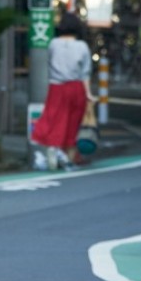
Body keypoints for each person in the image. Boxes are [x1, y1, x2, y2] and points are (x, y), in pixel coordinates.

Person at [31, 12, 92, 170]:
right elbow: (85, 72)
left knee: (53, 118)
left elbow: (50, 62)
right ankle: (67, 157)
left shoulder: (53, 44)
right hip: (76, 87)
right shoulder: (82, 46)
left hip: (56, 87)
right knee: (72, 122)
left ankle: (52, 147)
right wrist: (89, 93)